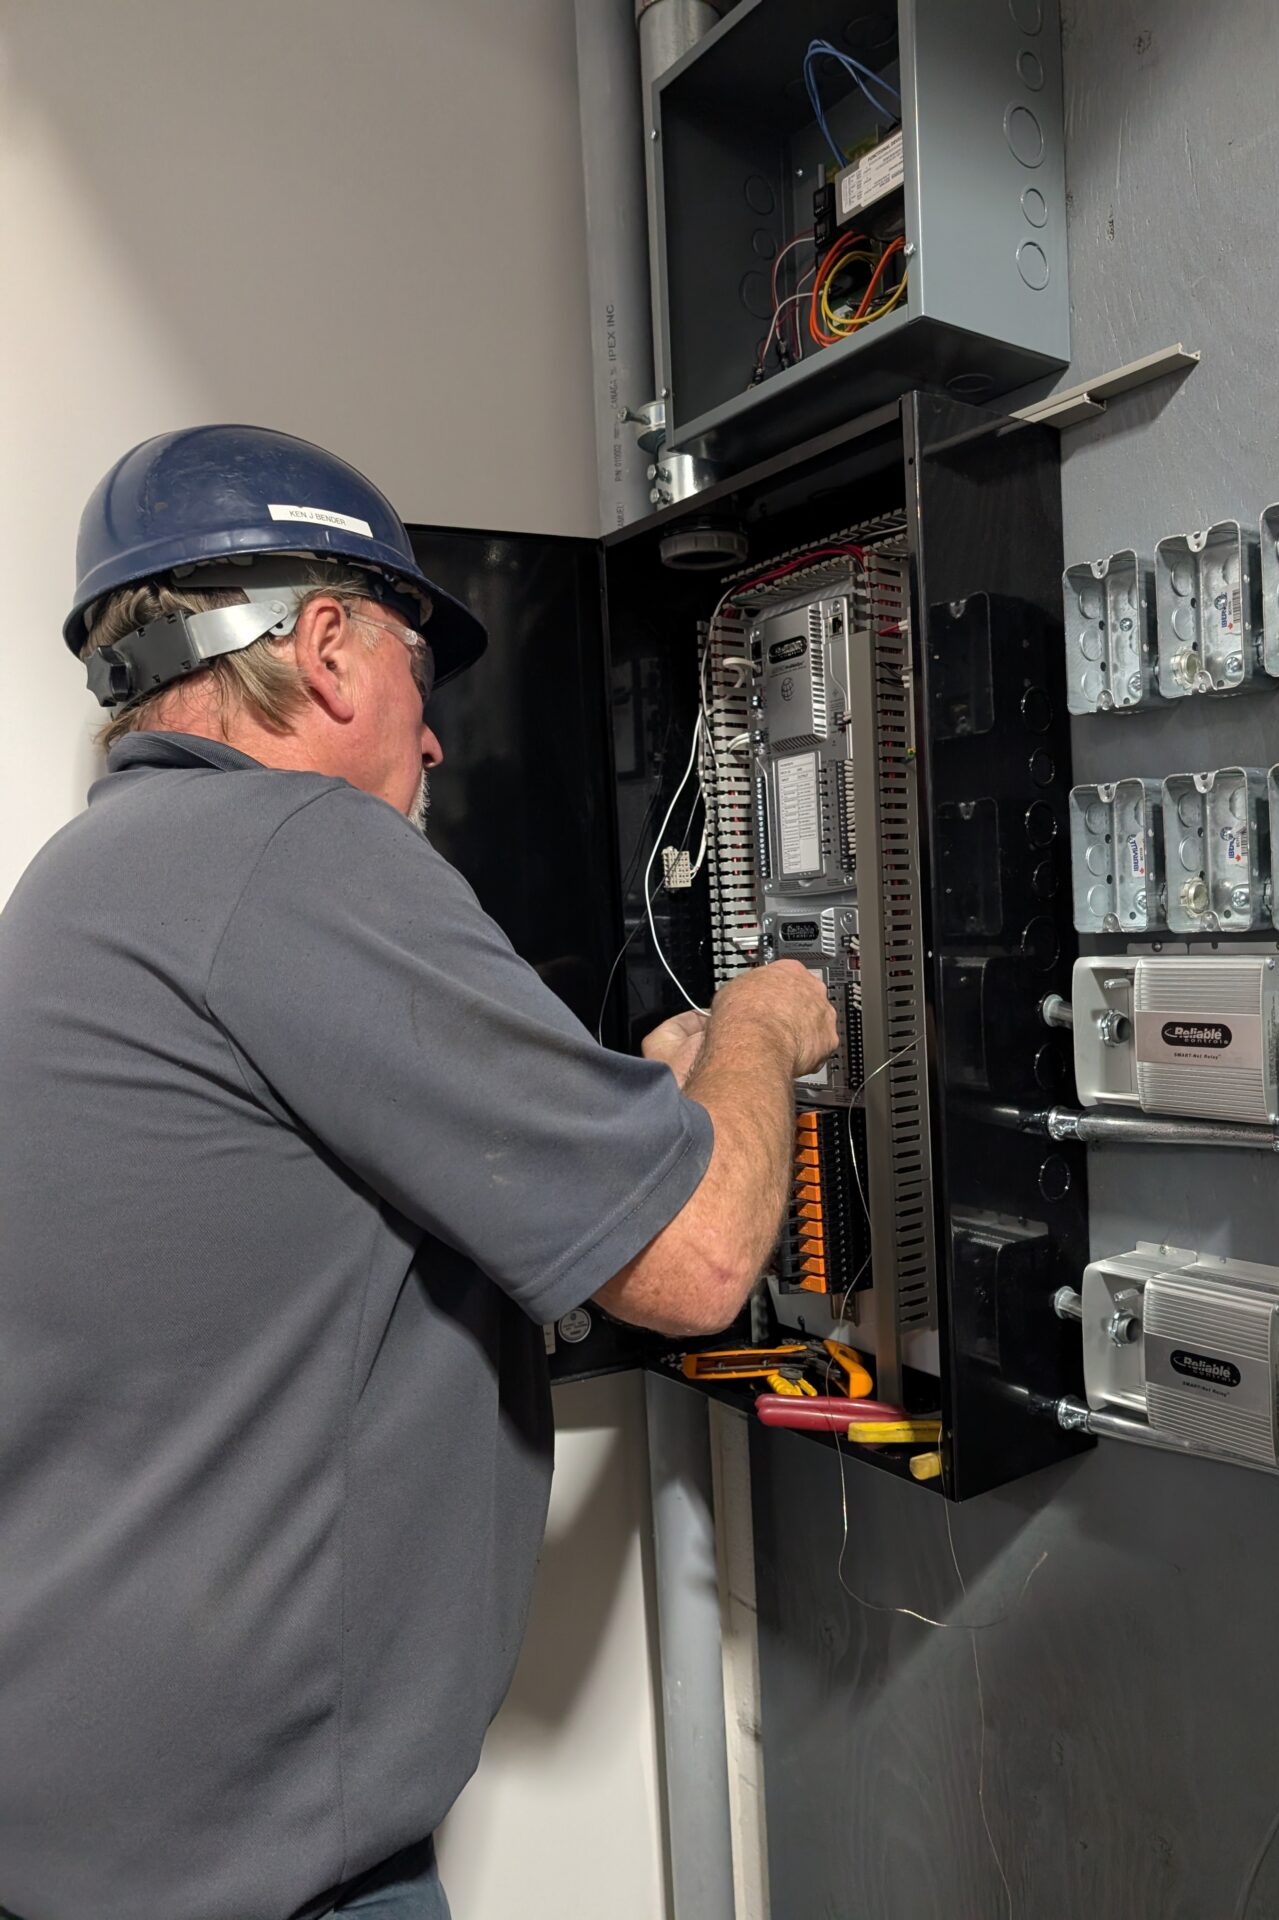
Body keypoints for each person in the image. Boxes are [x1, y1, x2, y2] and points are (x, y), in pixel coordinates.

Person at [0, 426, 837, 1920]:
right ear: (324, 649)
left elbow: (318, 1217)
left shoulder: (92, 887)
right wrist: (766, 1028)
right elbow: (703, 1264)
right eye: (413, 670)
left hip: (105, 1829)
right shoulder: (296, 851)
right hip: (245, 1877)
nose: (436, 734)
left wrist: (639, 1108)